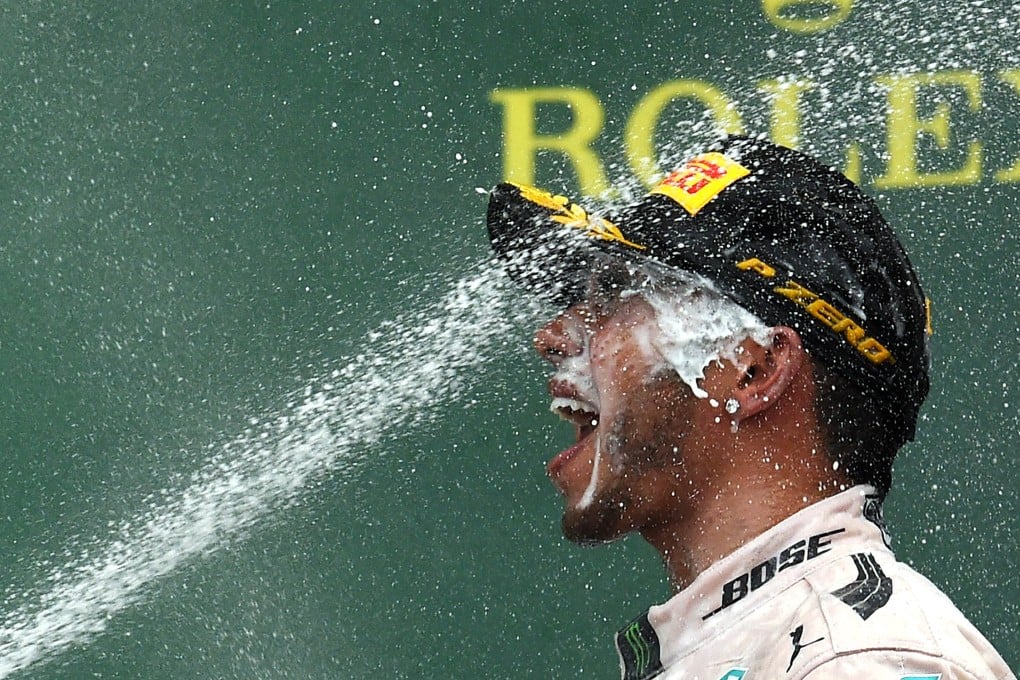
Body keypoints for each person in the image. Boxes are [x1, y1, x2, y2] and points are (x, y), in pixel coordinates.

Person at [486, 136, 1015, 679]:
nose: (551, 338)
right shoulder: (782, 644)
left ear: (754, 368)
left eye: (617, 294)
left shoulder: (851, 660)